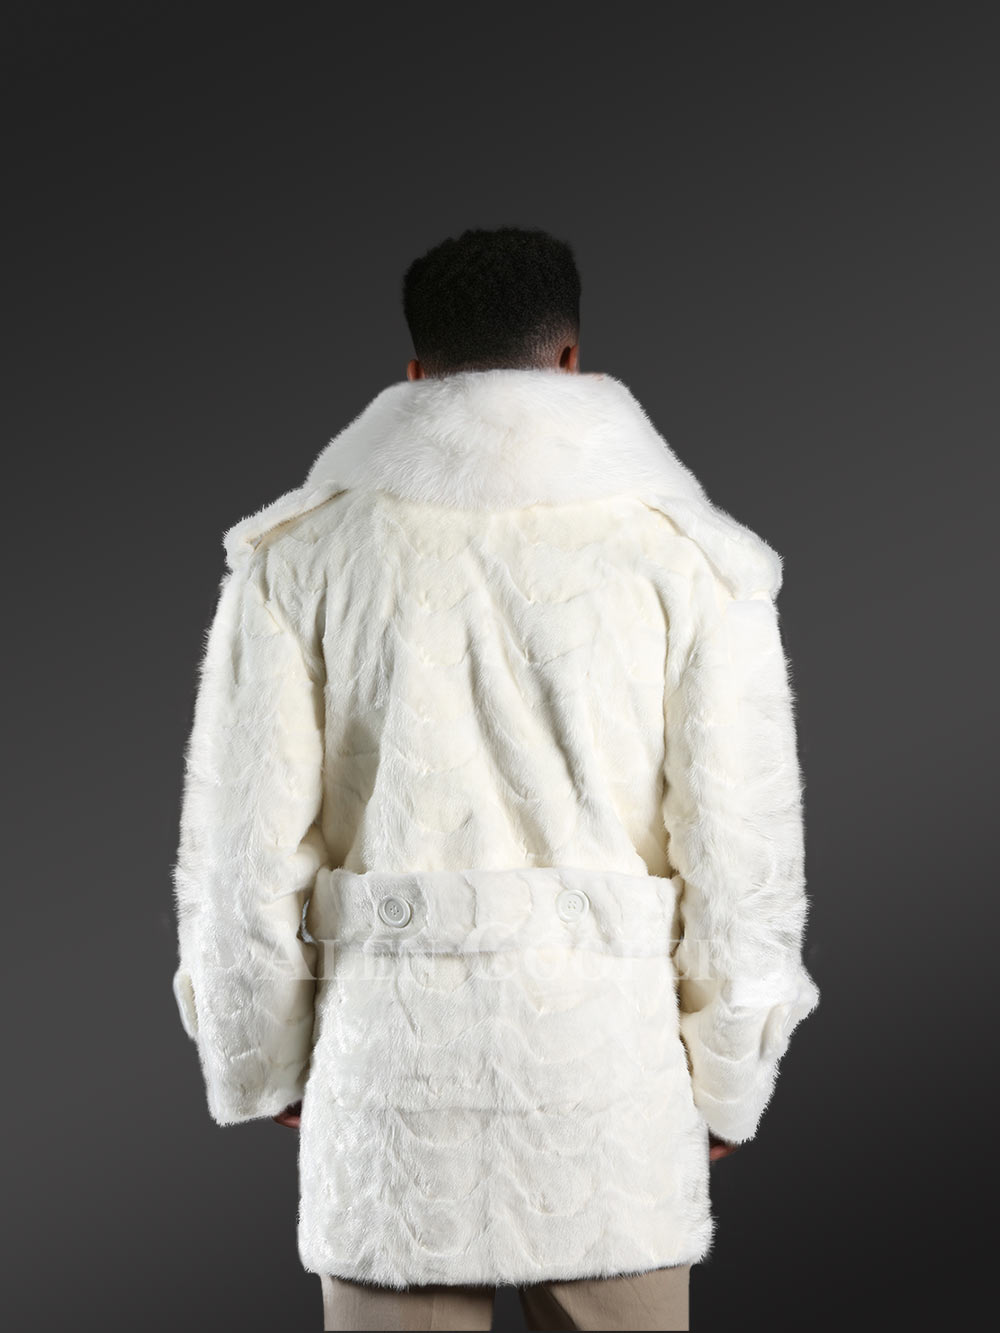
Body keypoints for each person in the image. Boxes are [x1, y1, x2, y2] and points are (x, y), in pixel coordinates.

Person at [170, 225, 820, 1331]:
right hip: (607, 1070)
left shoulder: (299, 556)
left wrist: (262, 1056)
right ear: (571, 358)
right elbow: (741, 849)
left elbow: (242, 848)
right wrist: (728, 1075)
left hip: (392, 1066)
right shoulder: (691, 558)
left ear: (414, 372)